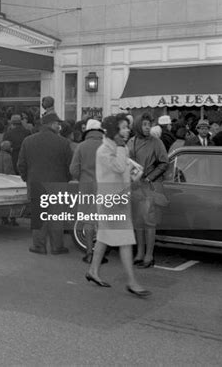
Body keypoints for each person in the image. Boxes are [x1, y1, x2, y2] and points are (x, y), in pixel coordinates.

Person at [85, 114, 151, 297]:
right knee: (125, 241)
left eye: (127, 127)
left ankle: (93, 271)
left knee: (105, 237)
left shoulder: (115, 148)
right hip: (112, 202)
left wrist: (134, 175)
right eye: (123, 127)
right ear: (114, 131)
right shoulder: (106, 151)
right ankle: (132, 282)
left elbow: (123, 171)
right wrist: (122, 148)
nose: (127, 130)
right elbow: (120, 168)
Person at [18, 112, 72, 255]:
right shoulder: (64, 142)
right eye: (57, 124)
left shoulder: (28, 141)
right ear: (52, 125)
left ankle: (39, 246)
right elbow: (69, 166)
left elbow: (21, 164)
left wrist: (27, 178)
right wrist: (65, 179)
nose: (59, 126)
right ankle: (57, 246)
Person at [128, 113, 168, 268]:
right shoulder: (131, 141)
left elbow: (164, 163)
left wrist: (150, 178)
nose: (147, 127)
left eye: (149, 124)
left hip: (150, 185)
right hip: (136, 185)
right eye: (144, 124)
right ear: (138, 125)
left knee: (149, 221)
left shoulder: (156, 142)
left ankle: (149, 256)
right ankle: (139, 253)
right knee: (138, 220)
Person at [70, 119, 107, 263]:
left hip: (86, 186)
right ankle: (100, 254)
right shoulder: (107, 146)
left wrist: (81, 177)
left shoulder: (81, 146)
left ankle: (89, 253)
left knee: (88, 220)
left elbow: (73, 169)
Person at [0, 140, 19, 226]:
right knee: (12, 201)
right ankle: (13, 219)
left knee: (2, 201)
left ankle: (4, 219)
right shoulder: (8, 157)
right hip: (7, 181)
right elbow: (8, 169)